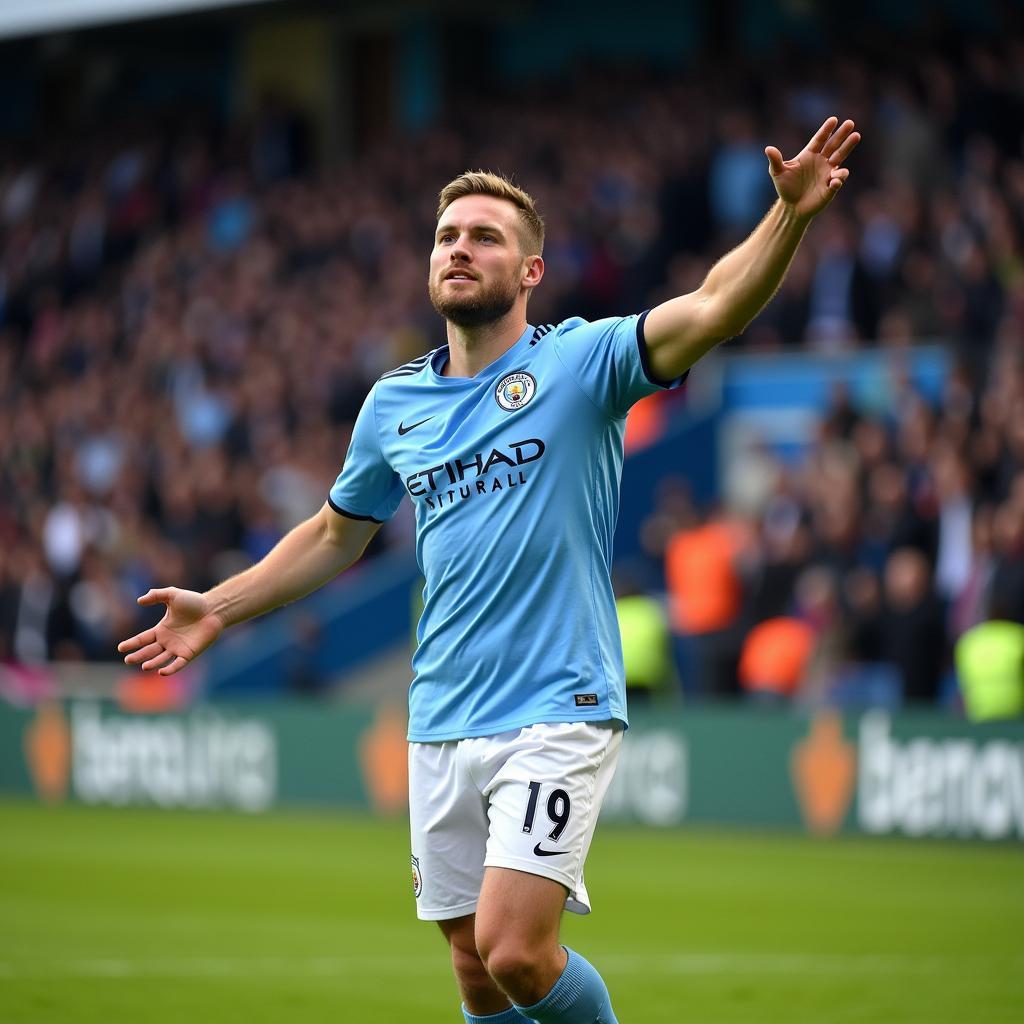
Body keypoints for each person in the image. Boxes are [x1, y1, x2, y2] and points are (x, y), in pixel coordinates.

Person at [118, 116, 859, 1024]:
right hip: (440, 713)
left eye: (484, 237)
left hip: (557, 702)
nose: (459, 250)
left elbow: (711, 307)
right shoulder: (396, 403)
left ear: (531, 271)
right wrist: (220, 609)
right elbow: (333, 533)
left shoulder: (581, 362)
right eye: (446, 237)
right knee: (474, 968)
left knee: (517, 948)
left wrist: (788, 220)